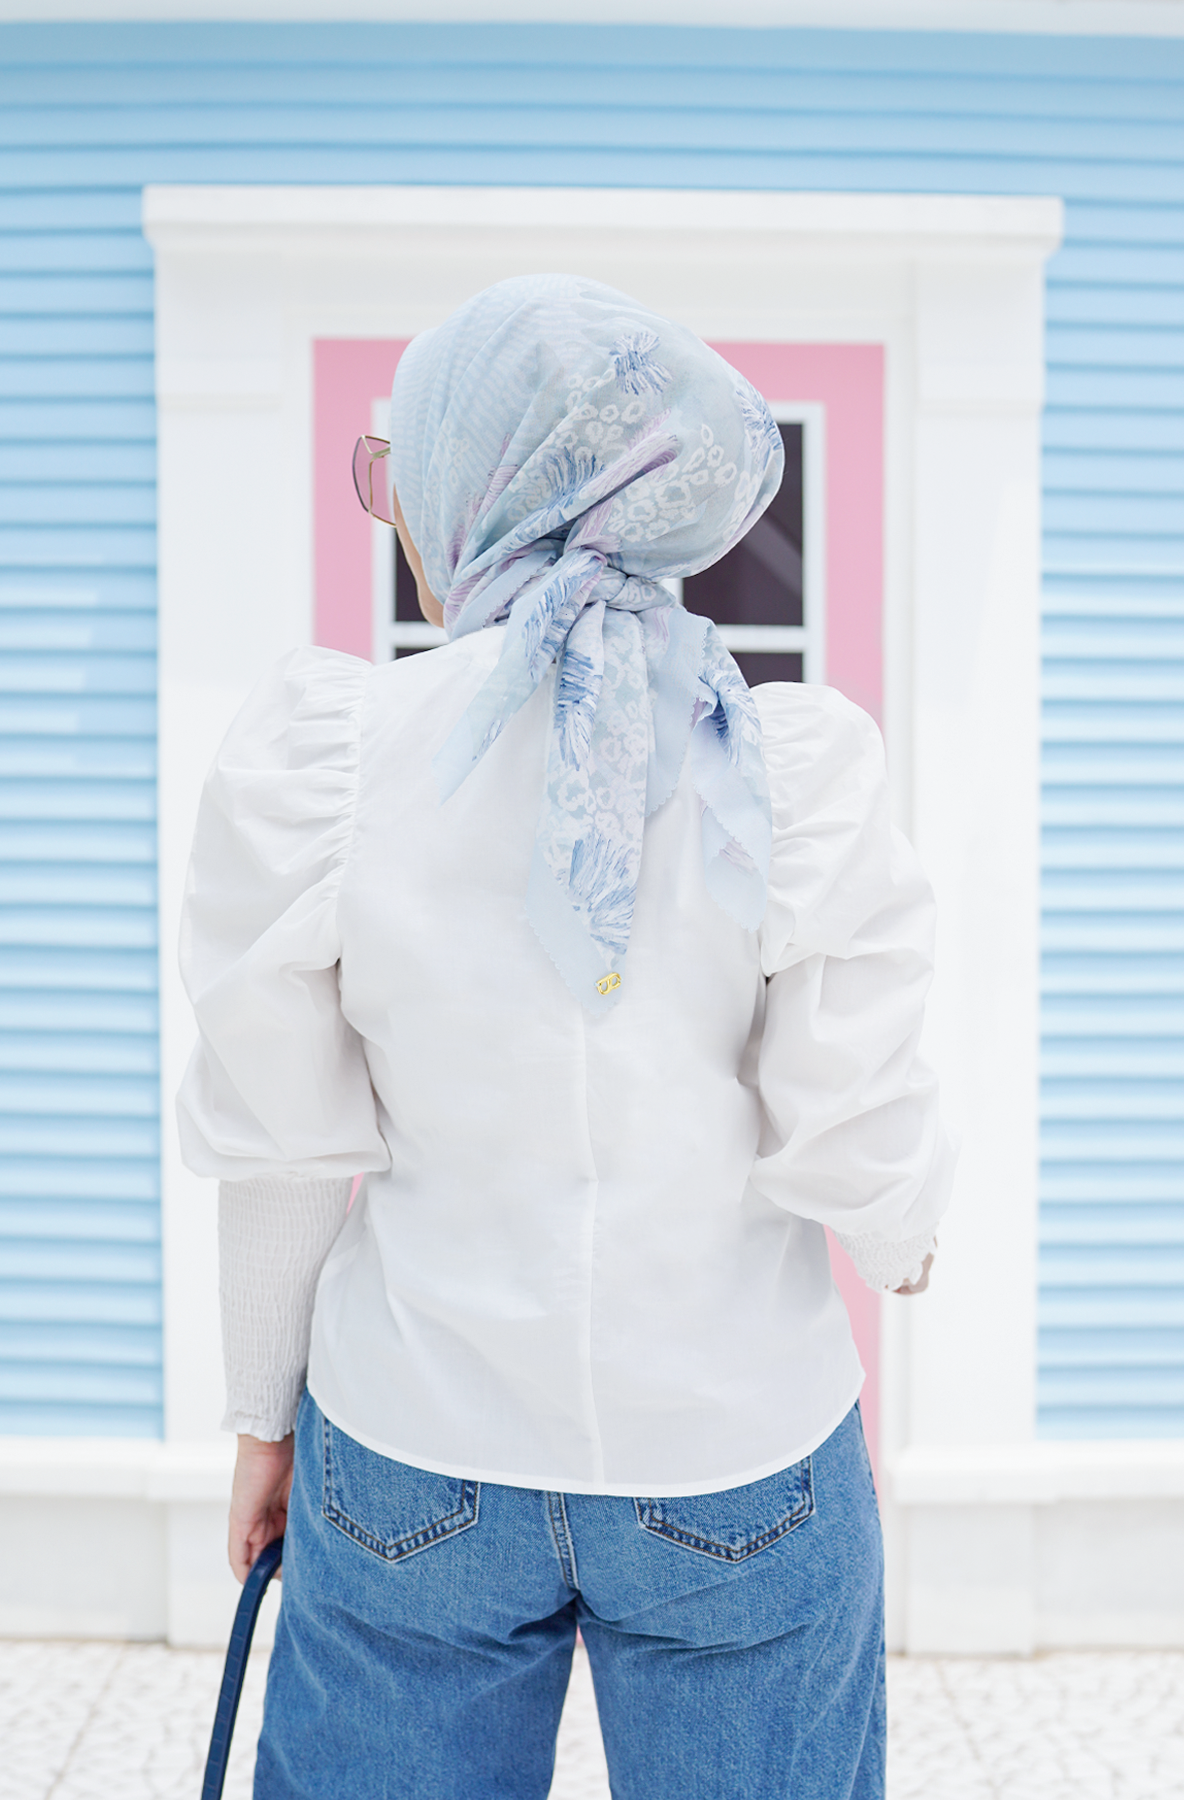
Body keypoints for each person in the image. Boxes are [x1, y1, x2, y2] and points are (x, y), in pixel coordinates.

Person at [179, 273, 952, 1800]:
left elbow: (282, 1148)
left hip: (415, 1438)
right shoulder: (788, 759)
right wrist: (902, 1233)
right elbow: (851, 1117)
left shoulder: (333, 763)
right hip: (737, 1442)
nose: (397, 516)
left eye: (403, 475)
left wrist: (264, 1420)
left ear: (481, 492)